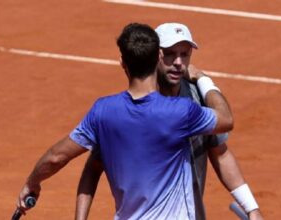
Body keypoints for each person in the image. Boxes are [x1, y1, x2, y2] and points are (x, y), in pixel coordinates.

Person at [15, 22, 234, 219]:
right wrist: (204, 80)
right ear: (158, 58)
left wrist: (32, 182)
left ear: (122, 63)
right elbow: (225, 119)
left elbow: (56, 157)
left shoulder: (102, 112)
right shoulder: (180, 111)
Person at [75, 23, 263, 220]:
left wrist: (252, 208)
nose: (179, 62)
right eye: (170, 54)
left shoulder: (197, 97)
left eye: (185, 54)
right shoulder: (134, 105)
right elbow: (94, 167)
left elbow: (220, 154)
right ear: (155, 56)